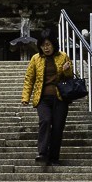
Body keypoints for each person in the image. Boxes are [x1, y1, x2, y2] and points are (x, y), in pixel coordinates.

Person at [21, 32, 73, 165]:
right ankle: (43, 153)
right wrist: (25, 97)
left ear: (53, 44)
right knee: (45, 121)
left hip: (60, 98)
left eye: (48, 44)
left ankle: (54, 157)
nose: (46, 48)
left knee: (57, 127)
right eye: (43, 45)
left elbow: (69, 78)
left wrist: (66, 70)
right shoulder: (35, 59)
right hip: (42, 98)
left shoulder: (63, 57)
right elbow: (29, 79)